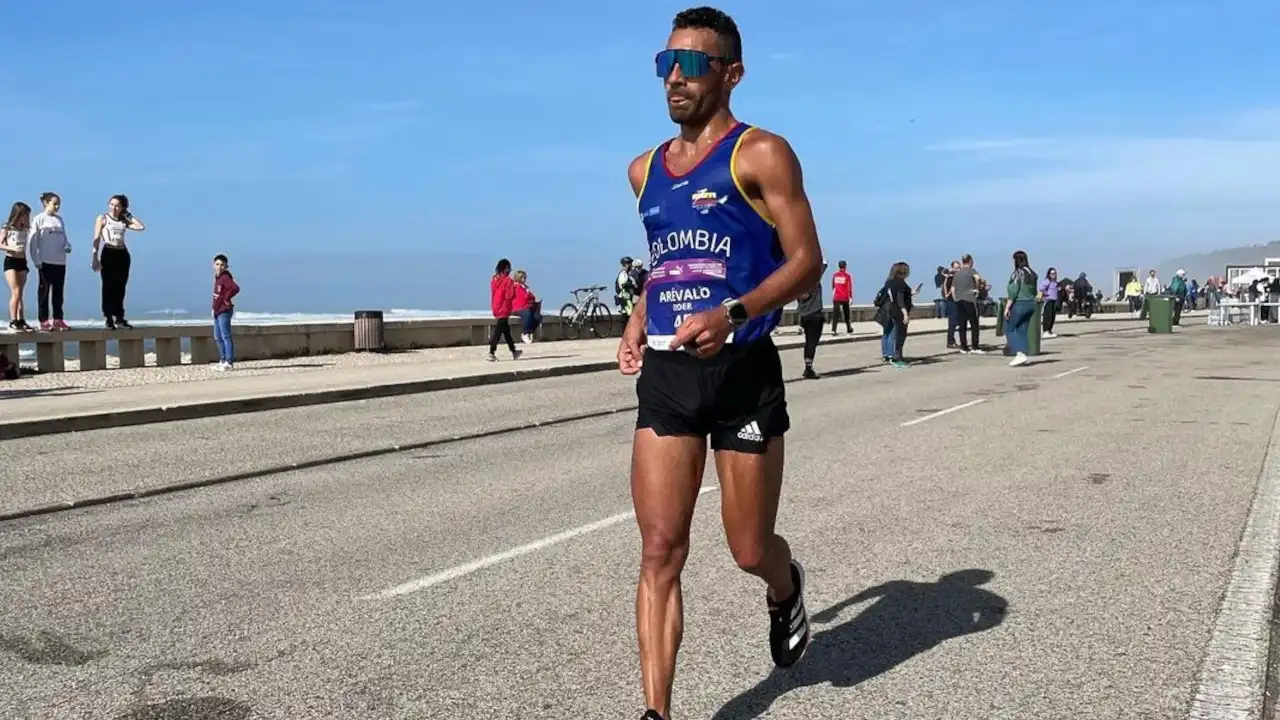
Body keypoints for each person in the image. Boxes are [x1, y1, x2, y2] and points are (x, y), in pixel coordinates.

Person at [617, 8, 824, 719]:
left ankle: (784, 585)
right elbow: (665, 264)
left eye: (693, 65)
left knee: (746, 546)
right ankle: (657, 712)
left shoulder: (761, 154)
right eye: (665, 63)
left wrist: (734, 314)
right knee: (659, 550)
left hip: (743, 373)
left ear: (730, 75)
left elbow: (807, 262)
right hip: (671, 376)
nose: (675, 76)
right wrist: (639, 319)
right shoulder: (643, 171)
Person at [91, 194, 146, 329]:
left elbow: (140, 227)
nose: (114, 208)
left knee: (120, 286)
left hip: (122, 253)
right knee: (108, 285)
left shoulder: (123, 220)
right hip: (108, 252)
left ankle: (119, 317)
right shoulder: (102, 218)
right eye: (111, 205)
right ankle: (108, 317)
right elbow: (96, 238)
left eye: (117, 206)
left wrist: (128, 215)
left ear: (122, 207)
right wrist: (94, 257)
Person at [29, 192, 72, 331]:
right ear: (46, 203)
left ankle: (58, 319)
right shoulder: (38, 219)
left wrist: (67, 246)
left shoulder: (59, 220)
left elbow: (64, 238)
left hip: (60, 261)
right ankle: (43, 320)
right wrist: (36, 260)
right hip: (45, 261)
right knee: (44, 291)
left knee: (58, 292)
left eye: (59, 204)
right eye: (55, 203)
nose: (57, 206)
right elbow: (32, 241)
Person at [1, 202, 33, 332]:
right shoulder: (7, 228)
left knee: (20, 293)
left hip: (22, 262)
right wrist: (11, 248)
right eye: (25, 215)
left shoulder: (25, 229)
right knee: (15, 291)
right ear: (18, 215)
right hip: (11, 261)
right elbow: (0, 244)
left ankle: (21, 320)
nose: (26, 218)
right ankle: (13, 320)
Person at [875, 262, 912, 367]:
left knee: (886, 333)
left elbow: (893, 295)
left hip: (888, 310)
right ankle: (894, 357)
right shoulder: (900, 283)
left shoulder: (889, 282)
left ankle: (886, 355)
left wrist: (910, 293)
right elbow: (899, 299)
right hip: (897, 311)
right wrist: (905, 313)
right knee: (894, 335)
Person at [1004, 250, 1037, 367]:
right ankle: (1023, 351)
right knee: (1022, 329)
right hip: (1031, 304)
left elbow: (1013, 291)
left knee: (1009, 328)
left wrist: (1007, 307)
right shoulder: (1032, 273)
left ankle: (1019, 353)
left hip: (1020, 303)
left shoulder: (1017, 273)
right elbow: (1034, 291)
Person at [487, 259, 522, 361]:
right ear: (506, 268)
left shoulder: (494, 280)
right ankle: (491, 352)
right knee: (498, 331)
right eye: (509, 268)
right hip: (504, 308)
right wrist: (514, 288)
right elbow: (509, 295)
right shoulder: (508, 281)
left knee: (506, 331)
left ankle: (514, 351)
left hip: (496, 306)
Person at [797, 264, 827, 379]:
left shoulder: (799, 284)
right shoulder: (814, 280)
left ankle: (807, 366)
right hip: (815, 314)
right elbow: (824, 263)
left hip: (804, 316)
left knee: (808, 341)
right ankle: (808, 368)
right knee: (812, 342)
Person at [211, 254, 240, 370]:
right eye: (217, 264)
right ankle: (222, 360)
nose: (219, 267)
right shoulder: (217, 278)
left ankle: (229, 361)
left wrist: (226, 298)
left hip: (224, 311)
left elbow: (235, 288)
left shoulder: (225, 277)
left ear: (226, 266)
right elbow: (216, 296)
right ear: (213, 265)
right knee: (217, 337)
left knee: (225, 336)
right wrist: (213, 308)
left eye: (222, 265)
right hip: (217, 311)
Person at [951, 254, 983, 354]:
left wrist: (955, 299)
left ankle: (964, 347)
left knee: (962, 324)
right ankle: (975, 346)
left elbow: (953, 288)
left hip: (959, 300)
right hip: (970, 299)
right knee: (974, 323)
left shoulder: (957, 274)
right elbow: (978, 278)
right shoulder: (971, 270)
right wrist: (977, 289)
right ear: (970, 261)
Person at [512, 269, 542, 342]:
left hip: (526, 306)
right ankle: (525, 333)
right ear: (519, 277)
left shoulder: (525, 287)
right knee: (527, 314)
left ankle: (529, 332)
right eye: (524, 277)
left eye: (525, 277)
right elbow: (523, 298)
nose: (525, 279)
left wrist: (530, 297)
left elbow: (532, 297)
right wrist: (528, 295)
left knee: (538, 317)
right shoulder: (516, 287)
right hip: (517, 308)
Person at [830, 260, 852, 334]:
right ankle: (849, 329)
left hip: (836, 297)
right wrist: (850, 297)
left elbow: (833, 286)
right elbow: (849, 287)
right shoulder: (847, 276)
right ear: (845, 266)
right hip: (845, 297)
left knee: (835, 314)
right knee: (846, 314)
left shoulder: (835, 275)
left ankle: (833, 329)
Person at [1038, 267, 1060, 338]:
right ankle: (1045, 331)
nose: (1054, 275)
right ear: (1049, 274)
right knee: (1048, 316)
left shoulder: (1055, 282)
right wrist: (1045, 294)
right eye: (1052, 274)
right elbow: (1041, 289)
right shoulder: (1047, 281)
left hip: (1054, 301)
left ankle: (1050, 330)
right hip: (1048, 300)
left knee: (1052, 317)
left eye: (1055, 273)